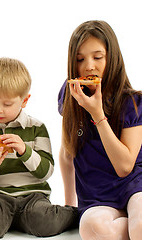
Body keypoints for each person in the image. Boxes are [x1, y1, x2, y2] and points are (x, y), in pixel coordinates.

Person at [0, 57, 79, 239]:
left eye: (7, 104)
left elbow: (46, 172)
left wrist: (24, 151)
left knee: (45, 223)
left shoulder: (36, 128)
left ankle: (75, 213)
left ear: (24, 100)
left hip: (33, 197)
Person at [58, 20, 142, 240]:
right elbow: (67, 152)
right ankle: (132, 223)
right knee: (91, 229)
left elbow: (125, 167)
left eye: (97, 57)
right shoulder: (70, 96)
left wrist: (97, 114)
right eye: (80, 59)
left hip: (135, 185)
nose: (88, 66)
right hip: (97, 195)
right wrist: (70, 205)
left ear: (111, 58)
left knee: (141, 222)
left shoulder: (132, 102)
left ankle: (136, 222)